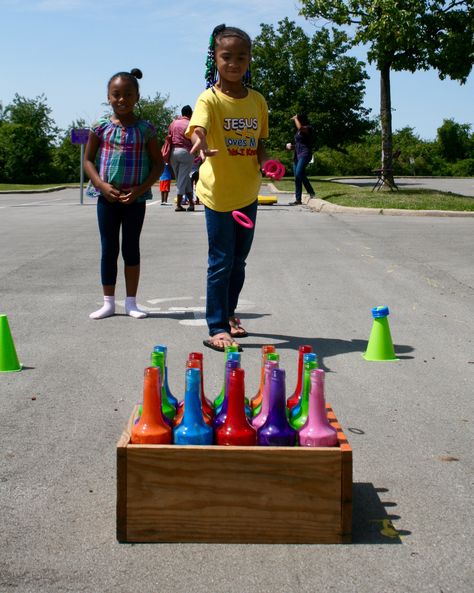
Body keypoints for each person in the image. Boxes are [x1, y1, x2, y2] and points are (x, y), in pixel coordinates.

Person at [186, 24, 269, 352]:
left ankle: (231, 314)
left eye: (241, 57)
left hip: (248, 192)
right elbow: (198, 128)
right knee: (221, 260)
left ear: (249, 60)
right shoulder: (210, 98)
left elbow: (261, 142)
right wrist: (200, 143)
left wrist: (268, 161)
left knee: (239, 261)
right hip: (218, 194)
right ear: (215, 60)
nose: (234, 63)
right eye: (226, 56)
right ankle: (217, 326)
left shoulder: (258, 101)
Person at [84, 68, 162, 320]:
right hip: (107, 199)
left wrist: (140, 189)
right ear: (108, 97)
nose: (122, 99)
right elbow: (88, 161)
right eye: (116, 94)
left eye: (128, 94)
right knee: (109, 249)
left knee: (131, 248)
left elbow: (159, 164)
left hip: (135, 200)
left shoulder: (146, 129)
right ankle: (108, 302)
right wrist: (101, 186)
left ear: (137, 97)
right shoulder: (100, 128)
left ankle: (131, 302)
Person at [168, 105, 195, 211]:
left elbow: (169, 136)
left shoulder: (173, 123)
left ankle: (191, 203)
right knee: (182, 178)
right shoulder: (190, 124)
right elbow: (193, 139)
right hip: (186, 153)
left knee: (184, 178)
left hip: (173, 152)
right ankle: (178, 205)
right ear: (190, 114)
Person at [287, 113, 315, 205]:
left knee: (299, 173)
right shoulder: (298, 132)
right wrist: (291, 146)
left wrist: (295, 118)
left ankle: (311, 192)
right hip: (297, 155)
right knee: (298, 176)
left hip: (305, 154)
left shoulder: (308, 128)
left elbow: (300, 128)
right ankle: (298, 199)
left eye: (297, 118)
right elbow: (299, 144)